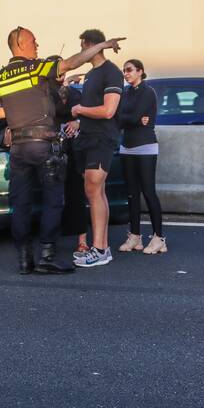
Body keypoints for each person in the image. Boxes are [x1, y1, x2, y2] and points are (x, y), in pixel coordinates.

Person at [0, 26, 124, 274]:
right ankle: (47, 256)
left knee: (21, 204)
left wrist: (17, 114)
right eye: (33, 41)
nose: (37, 45)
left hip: (17, 148)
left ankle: (24, 259)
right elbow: (70, 62)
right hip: (43, 144)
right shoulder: (35, 67)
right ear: (21, 44)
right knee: (52, 201)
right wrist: (101, 46)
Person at [70, 29, 125, 268]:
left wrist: (80, 110)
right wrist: (79, 120)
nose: (82, 52)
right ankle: (100, 247)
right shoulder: (92, 75)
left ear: (91, 45)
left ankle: (100, 249)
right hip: (87, 137)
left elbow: (108, 111)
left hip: (102, 139)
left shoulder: (111, 72)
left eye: (83, 47)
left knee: (93, 189)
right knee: (94, 191)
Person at [116, 59, 166, 254]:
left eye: (129, 70)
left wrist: (132, 118)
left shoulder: (148, 92)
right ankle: (135, 236)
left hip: (145, 147)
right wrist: (135, 119)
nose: (126, 74)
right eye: (124, 71)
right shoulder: (125, 92)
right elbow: (118, 117)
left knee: (148, 192)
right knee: (131, 193)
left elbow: (131, 115)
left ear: (140, 71)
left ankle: (159, 238)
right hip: (126, 147)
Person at [56, 73, 90, 255]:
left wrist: (78, 122)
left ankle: (82, 241)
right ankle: (50, 240)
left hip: (75, 152)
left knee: (77, 196)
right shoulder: (44, 94)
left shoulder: (76, 96)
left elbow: (91, 116)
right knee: (53, 197)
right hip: (52, 151)